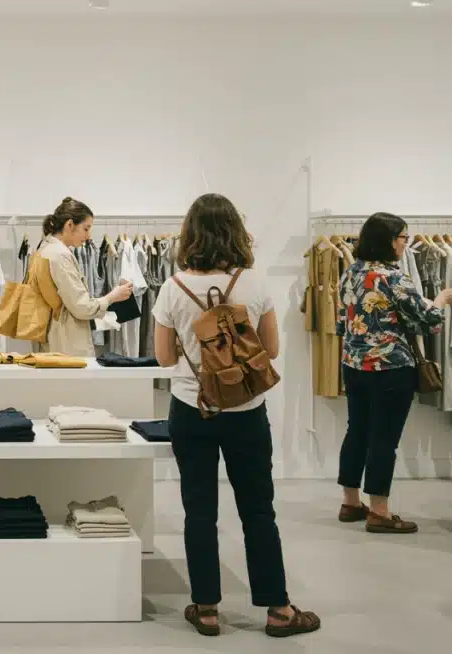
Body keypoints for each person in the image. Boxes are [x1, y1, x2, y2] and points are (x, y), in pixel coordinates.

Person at [153, 193, 320, 638]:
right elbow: (273, 350)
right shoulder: (255, 282)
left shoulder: (173, 287)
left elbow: (165, 357)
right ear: (236, 231)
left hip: (192, 409)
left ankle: (206, 608)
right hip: (246, 409)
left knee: (199, 511)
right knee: (258, 510)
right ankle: (279, 611)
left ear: (190, 234)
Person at [336, 212, 452, 534]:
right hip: (390, 369)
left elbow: (340, 324)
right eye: (403, 238)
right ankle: (380, 511)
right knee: (384, 439)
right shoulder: (393, 278)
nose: (405, 244)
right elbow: (428, 321)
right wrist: (441, 300)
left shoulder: (350, 273)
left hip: (354, 365)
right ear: (389, 241)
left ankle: (350, 502)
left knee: (357, 431)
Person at [34, 197, 133, 356]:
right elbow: (82, 307)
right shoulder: (60, 256)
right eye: (86, 228)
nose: (88, 236)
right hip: (68, 347)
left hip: (55, 342)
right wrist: (112, 297)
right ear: (70, 225)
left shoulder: (45, 249)